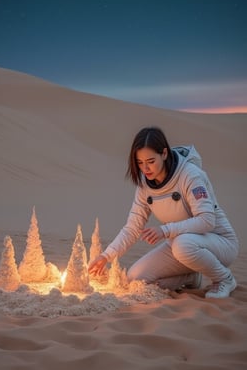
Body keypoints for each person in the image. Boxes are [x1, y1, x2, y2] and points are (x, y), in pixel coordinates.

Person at [88, 127, 239, 298]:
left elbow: (206, 221)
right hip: (180, 245)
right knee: (136, 278)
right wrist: (106, 256)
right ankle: (191, 276)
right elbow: (132, 228)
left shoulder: (190, 176)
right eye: (140, 163)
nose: (145, 168)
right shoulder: (145, 185)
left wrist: (165, 231)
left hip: (218, 243)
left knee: (183, 245)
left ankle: (224, 279)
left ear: (164, 154)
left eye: (151, 161)